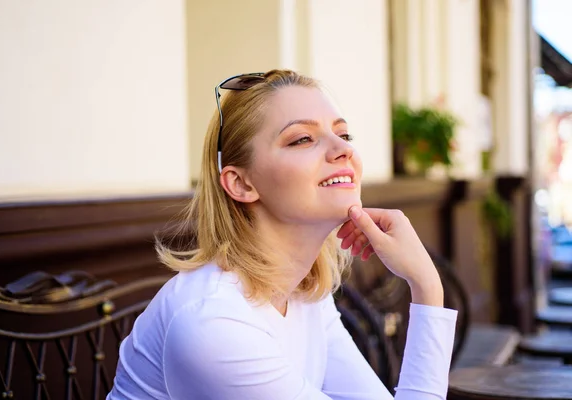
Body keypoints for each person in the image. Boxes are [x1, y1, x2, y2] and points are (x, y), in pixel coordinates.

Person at [107, 69, 457, 400]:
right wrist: (427, 287)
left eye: (343, 134)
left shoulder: (305, 294)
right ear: (242, 183)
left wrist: (426, 283)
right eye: (303, 139)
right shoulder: (215, 323)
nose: (344, 149)